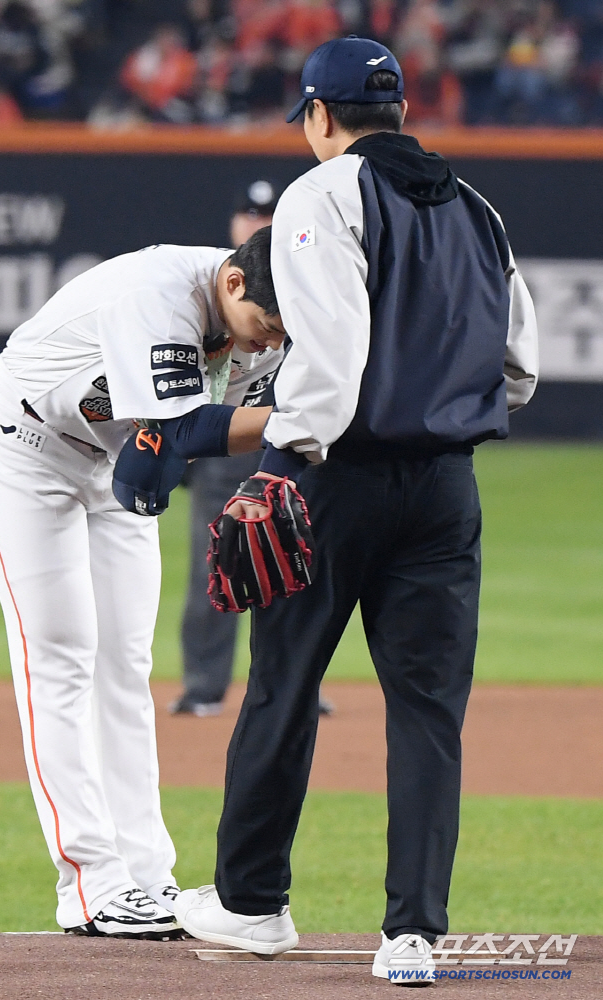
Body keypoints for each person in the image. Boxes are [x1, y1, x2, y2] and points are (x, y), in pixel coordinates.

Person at [174, 36, 539, 982]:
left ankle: (253, 904)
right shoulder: (478, 207)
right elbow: (520, 370)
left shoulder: (322, 194)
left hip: (335, 475)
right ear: (402, 113)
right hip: (447, 491)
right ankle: (413, 933)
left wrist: (274, 466)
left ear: (320, 116)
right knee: (427, 711)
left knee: (283, 685)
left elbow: (329, 372)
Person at [0, 232, 285, 938]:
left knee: (126, 666)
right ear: (233, 286)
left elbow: (173, 452)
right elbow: (186, 427)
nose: (268, 345)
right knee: (61, 656)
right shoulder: (160, 293)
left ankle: (145, 876)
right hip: (24, 447)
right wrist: (304, 423)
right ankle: (89, 883)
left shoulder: (265, 325)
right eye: (266, 327)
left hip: (116, 466)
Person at [171, 180, 335, 718]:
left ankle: (297, 687)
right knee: (213, 566)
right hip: (223, 446)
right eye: (250, 212)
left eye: (268, 213)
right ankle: (203, 687)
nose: (258, 221)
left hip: (288, 448)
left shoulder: (303, 290)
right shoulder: (211, 296)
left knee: (294, 564)